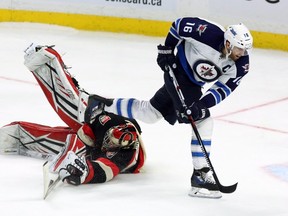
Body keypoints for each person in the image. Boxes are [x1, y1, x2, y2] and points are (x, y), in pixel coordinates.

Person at [88, 17, 253, 198]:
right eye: (239, 47)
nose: (242, 52)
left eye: (245, 49)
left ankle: (103, 106)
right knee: (204, 122)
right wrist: (167, 49)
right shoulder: (208, 32)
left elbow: (224, 88)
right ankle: (200, 175)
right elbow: (179, 25)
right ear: (228, 42)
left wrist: (202, 104)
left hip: (193, 86)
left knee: (150, 113)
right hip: (176, 70)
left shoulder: (241, 65)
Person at [0, 45, 146, 186]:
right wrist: (85, 136)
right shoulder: (109, 123)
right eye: (111, 140)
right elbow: (90, 118)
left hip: (94, 152)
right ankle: (48, 62)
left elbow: (106, 170)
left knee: (64, 142)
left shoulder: (127, 154)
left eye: (114, 144)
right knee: (77, 113)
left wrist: (84, 173)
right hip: (93, 134)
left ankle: (15, 138)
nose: (111, 144)